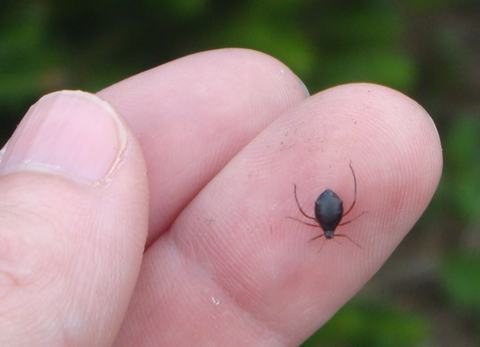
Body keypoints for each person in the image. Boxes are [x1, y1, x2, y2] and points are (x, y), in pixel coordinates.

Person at [0, 49, 442, 346]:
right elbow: (329, 204)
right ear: (330, 228)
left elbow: (320, 205)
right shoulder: (330, 222)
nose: (328, 230)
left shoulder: (326, 222)